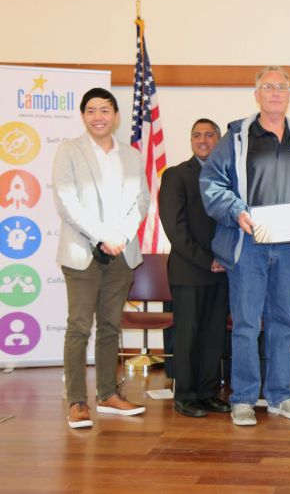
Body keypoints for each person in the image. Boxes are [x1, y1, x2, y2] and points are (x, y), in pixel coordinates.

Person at [200, 66, 290, 426]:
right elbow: (211, 182)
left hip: (289, 245)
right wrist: (237, 212)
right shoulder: (236, 136)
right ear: (257, 94)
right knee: (248, 323)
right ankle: (244, 398)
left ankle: (280, 395)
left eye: (282, 86)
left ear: (289, 94)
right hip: (248, 243)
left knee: (283, 321)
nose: (276, 92)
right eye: (268, 87)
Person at [52, 87, 149, 429]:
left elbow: (141, 201)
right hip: (83, 251)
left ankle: (108, 394)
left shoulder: (132, 156)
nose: (98, 116)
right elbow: (67, 201)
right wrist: (102, 236)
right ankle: (77, 401)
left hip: (121, 253)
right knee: (79, 326)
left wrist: (119, 236)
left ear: (116, 116)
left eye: (104, 110)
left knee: (110, 326)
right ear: (83, 116)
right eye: (91, 110)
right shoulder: (69, 151)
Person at [158, 118, 230, 418]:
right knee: (187, 335)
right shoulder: (176, 175)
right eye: (197, 135)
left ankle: (207, 392)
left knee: (214, 335)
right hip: (190, 270)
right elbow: (175, 228)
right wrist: (206, 260)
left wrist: (225, 258)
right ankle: (185, 395)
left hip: (223, 272)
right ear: (191, 141)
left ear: (218, 140)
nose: (203, 140)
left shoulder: (229, 177)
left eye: (209, 135)